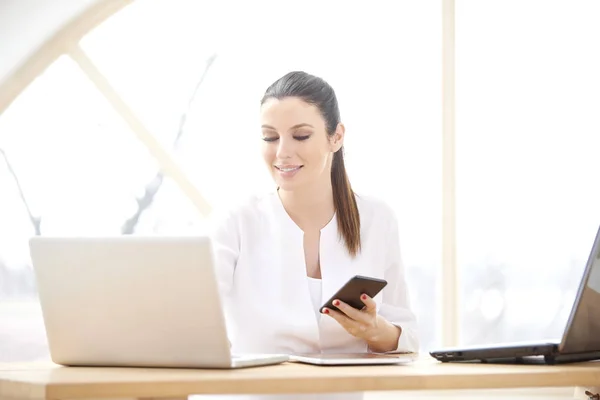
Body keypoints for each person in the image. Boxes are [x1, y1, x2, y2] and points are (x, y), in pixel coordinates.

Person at [204, 71, 419, 400]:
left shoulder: (377, 220)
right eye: (270, 137)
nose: (282, 153)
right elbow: (193, 326)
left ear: (336, 137)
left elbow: (408, 337)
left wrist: (376, 331)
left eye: (300, 136)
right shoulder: (236, 222)